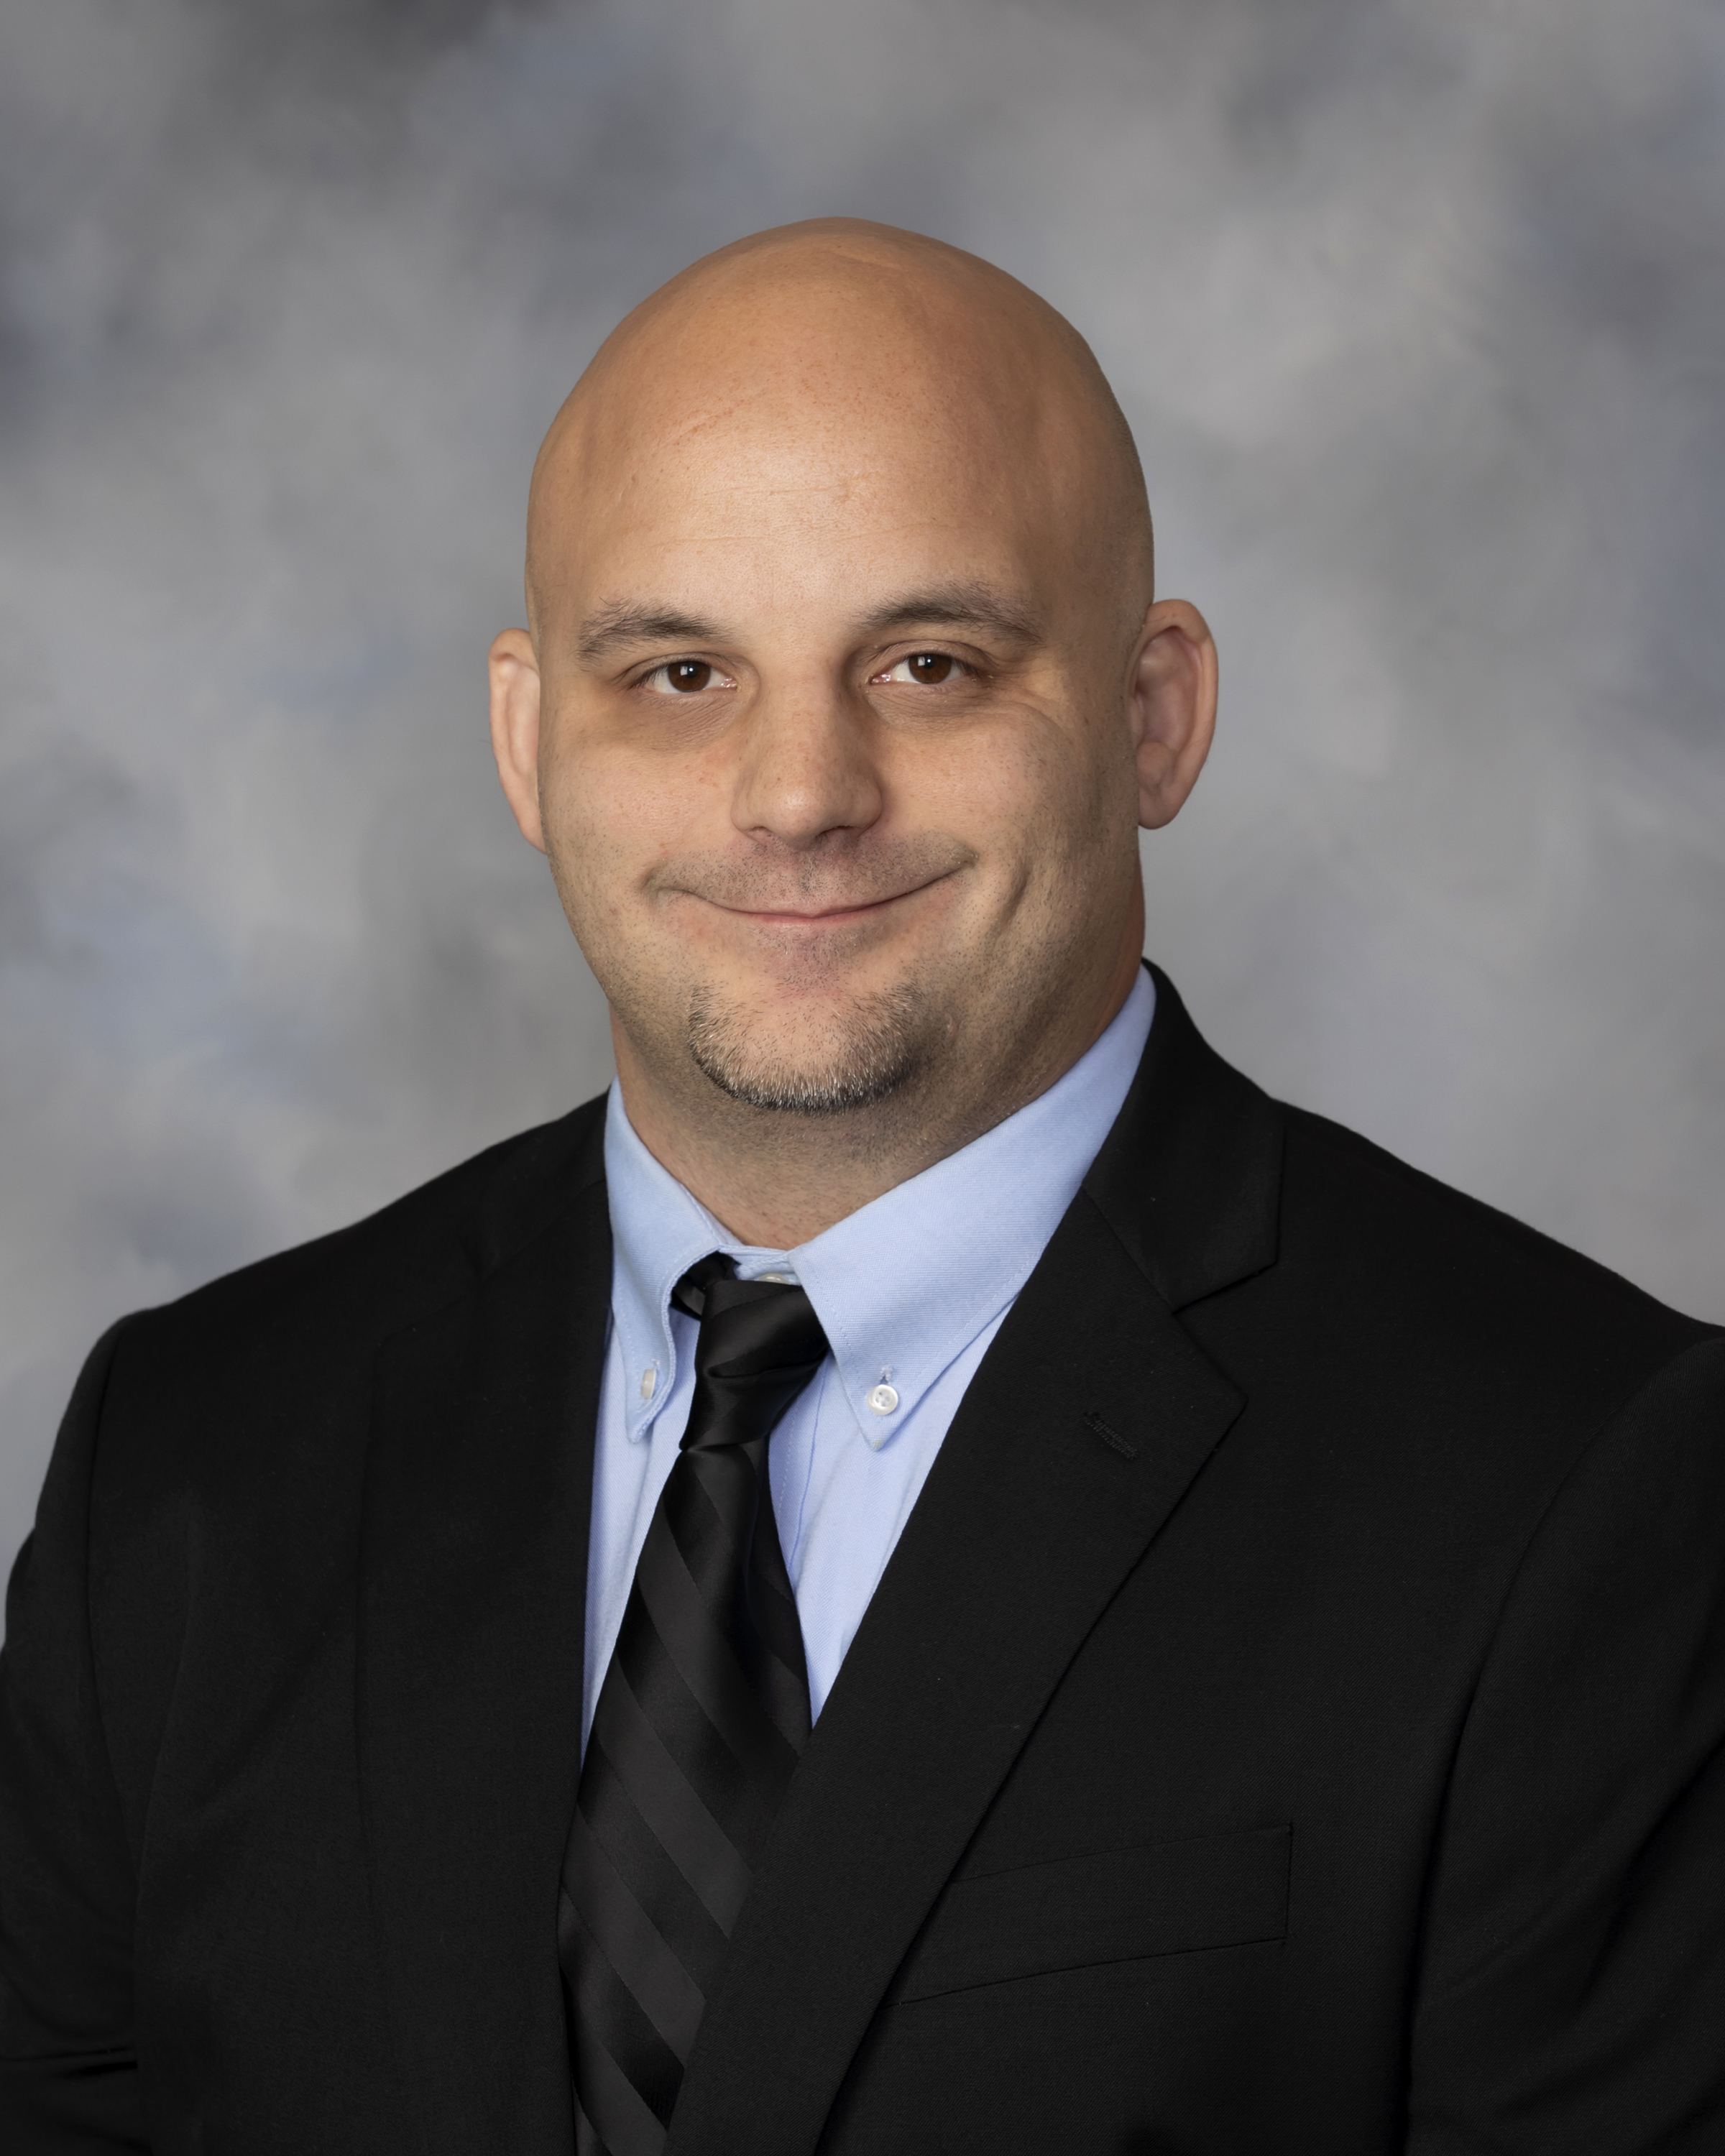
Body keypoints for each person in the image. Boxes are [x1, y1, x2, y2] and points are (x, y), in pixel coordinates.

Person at [1, 219, 1721, 2156]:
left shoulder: (1586, 1488)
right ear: (529, 744)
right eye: (679, 673)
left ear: (1154, 715)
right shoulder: (195, 1461)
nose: (801, 793)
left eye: (929, 664)